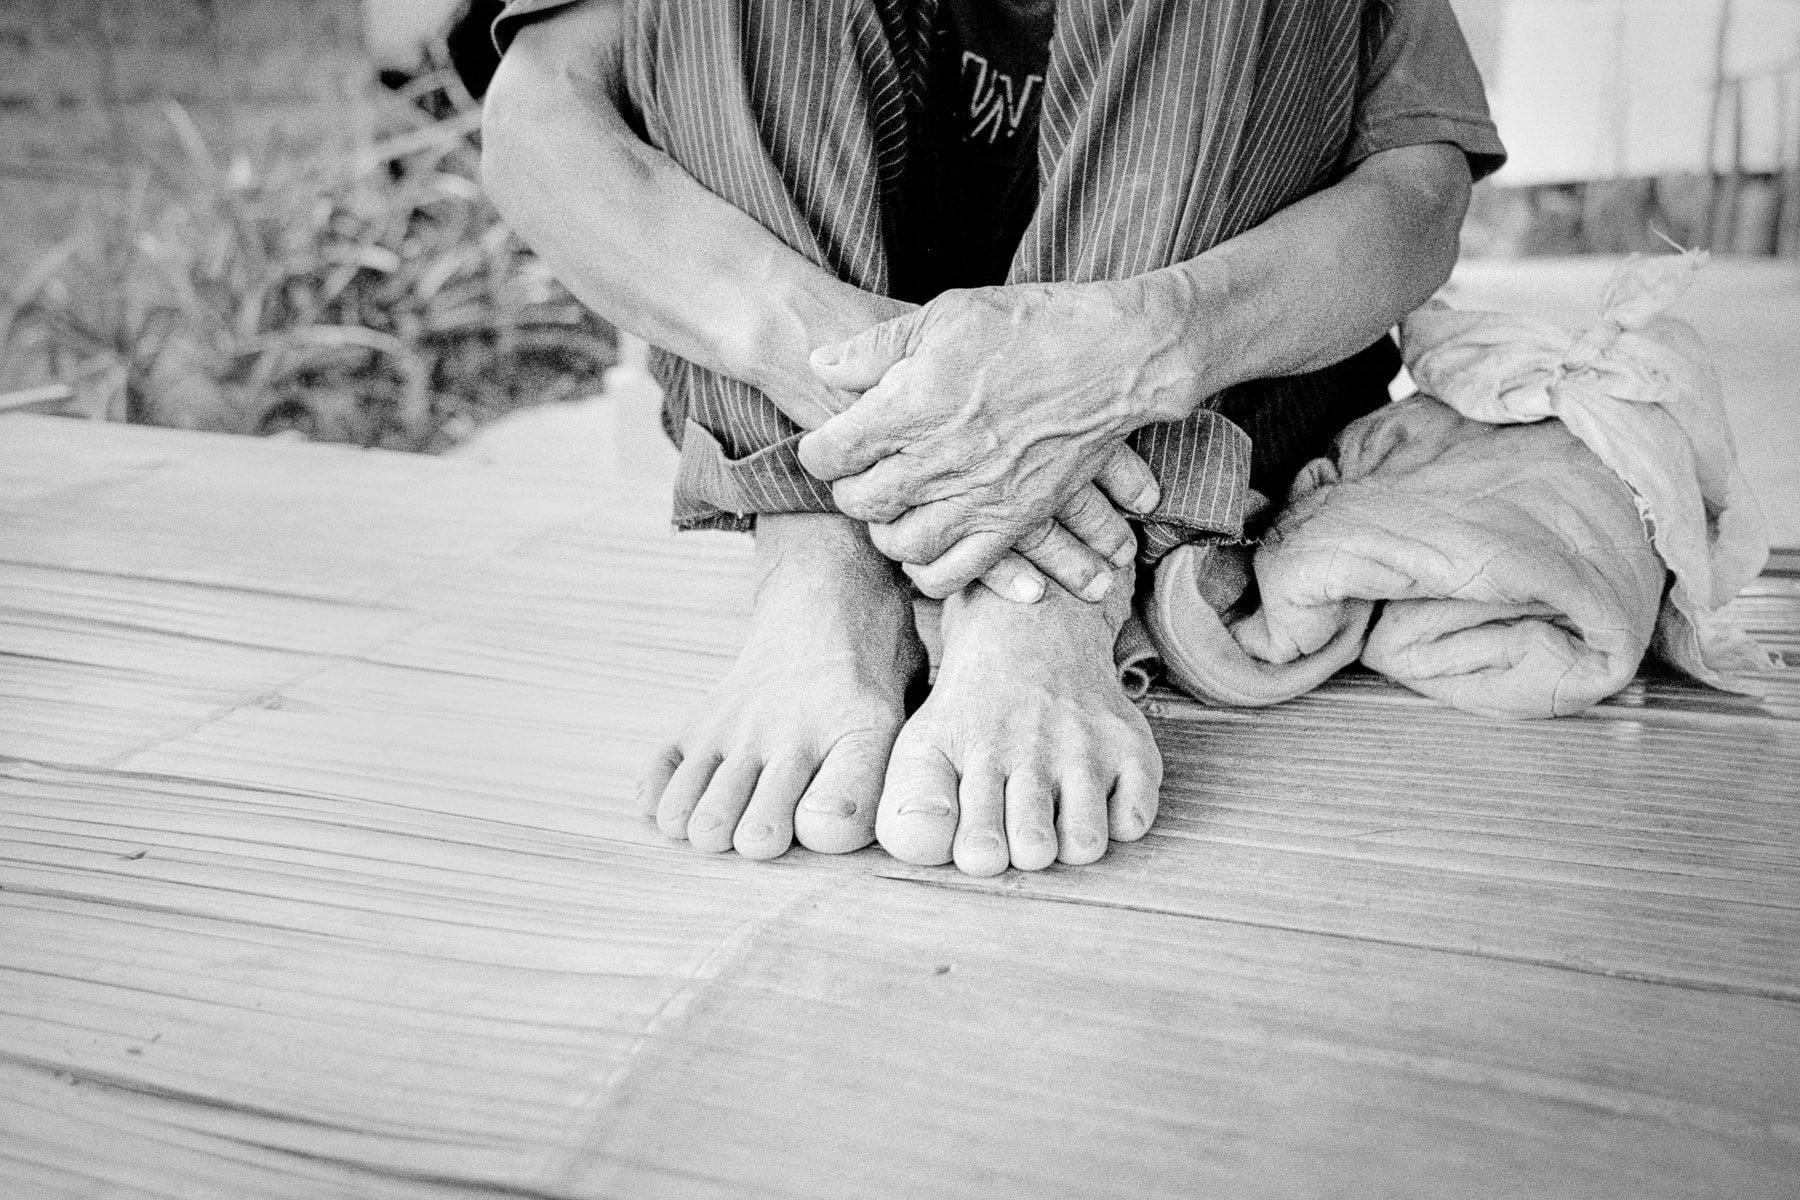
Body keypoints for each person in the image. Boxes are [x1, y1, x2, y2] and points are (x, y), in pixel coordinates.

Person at [470, 0, 1506, 875]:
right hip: (810, 429)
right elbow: (539, 108)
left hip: (1184, 423)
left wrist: (1130, 353)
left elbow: (1418, 193)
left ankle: (1045, 607)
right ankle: (821, 569)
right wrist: (832, 371)